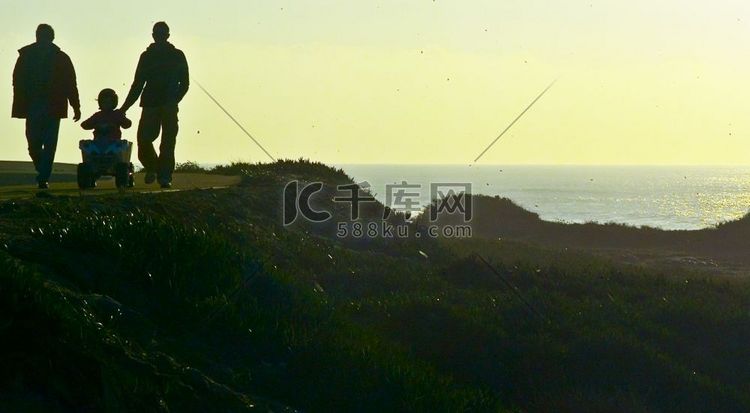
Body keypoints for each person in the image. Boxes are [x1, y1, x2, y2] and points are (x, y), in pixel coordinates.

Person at [120, 21, 189, 189]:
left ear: (166, 36)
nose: (159, 37)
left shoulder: (177, 55)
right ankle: (154, 168)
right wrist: (124, 107)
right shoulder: (147, 56)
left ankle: (164, 176)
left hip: (167, 105)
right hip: (151, 103)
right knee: (144, 139)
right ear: (153, 36)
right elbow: (138, 84)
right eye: (157, 34)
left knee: (167, 141)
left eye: (161, 34)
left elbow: (185, 83)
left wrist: (174, 100)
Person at [12, 24, 81, 189]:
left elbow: (70, 83)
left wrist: (76, 106)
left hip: (53, 106)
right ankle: (42, 169)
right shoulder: (26, 56)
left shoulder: (61, 58)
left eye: (44, 35)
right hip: (33, 105)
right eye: (39, 35)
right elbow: (17, 79)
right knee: (33, 143)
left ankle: (43, 177)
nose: (41, 38)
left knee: (49, 144)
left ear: (50, 37)